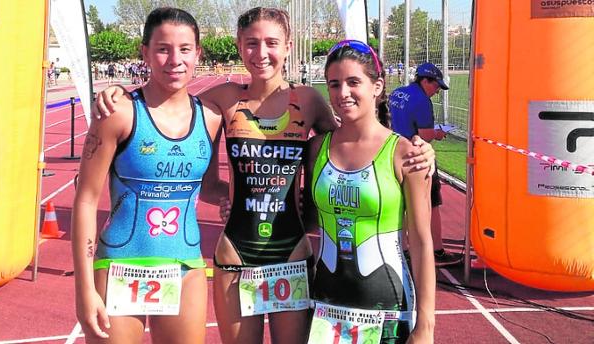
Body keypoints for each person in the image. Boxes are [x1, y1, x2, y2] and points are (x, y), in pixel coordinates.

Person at [92, 7, 436, 343]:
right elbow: (170, 103)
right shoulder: (223, 99)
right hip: (235, 255)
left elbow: (350, 143)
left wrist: (420, 150)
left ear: (288, 47)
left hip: (291, 255)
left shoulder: (310, 101)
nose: (261, 53)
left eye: (272, 42)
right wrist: (120, 94)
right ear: (240, 46)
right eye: (251, 43)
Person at [71, 8, 223, 343]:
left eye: (185, 49)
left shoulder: (211, 118)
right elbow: (85, 200)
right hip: (120, 268)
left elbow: (210, 188)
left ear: (198, 53)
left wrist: (247, 199)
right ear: (145, 53)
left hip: (185, 269)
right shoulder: (118, 112)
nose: (175, 59)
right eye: (163, 49)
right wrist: (83, 289)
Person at [304, 39, 435, 344]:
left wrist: (425, 326)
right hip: (325, 306)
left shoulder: (407, 153)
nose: (342, 93)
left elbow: (421, 241)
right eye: (334, 84)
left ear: (377, 86)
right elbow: (305, 221)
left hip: (387, 308)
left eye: (353, 82)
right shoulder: (315, 149)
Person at [388, 62, 463, 267]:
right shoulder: (422, 101)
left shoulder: (397, 93)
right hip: (418, 158)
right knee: (431, 204)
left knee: (400, 205)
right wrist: (439, 133)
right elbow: (426, 135)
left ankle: (402, 249)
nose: (437, 90)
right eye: (436, 85)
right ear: (425, 80)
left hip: (394, 152)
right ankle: (437, 251)